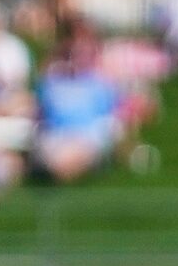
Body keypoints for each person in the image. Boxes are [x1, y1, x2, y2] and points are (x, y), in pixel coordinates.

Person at [31, 29, 132, 180]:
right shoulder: (53, 82)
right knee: (54, 154)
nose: (78, 58)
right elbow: (39, 108)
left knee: (68, 158)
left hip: (88, 136)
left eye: (84, 53)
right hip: (57, 135)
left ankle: (62, 170)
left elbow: (119, 112)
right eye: (73, 53)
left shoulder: (101, 83)